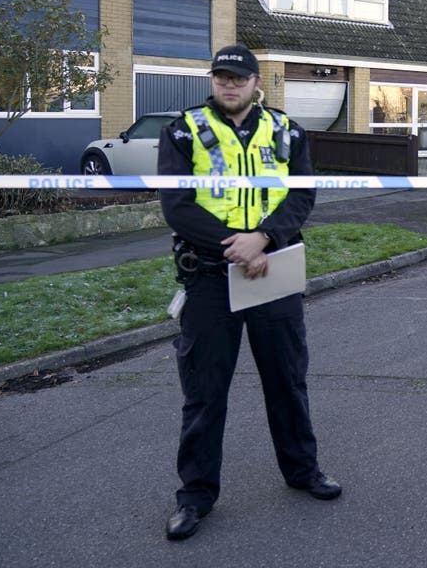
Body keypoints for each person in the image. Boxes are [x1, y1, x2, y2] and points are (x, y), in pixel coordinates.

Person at [158, 44, 340, 542]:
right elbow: (176, 204)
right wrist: (234, 246)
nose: (230, 85)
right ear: (212, 81)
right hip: (209, 277)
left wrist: (262, 239)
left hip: (272, 269)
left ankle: (303, 471)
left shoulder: (286, 130)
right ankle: (195, 496)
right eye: (221, 78)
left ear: (257, 82)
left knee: (286, 380)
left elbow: (301, 194)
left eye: (239, 78)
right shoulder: (183, 130)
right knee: (204, 392)